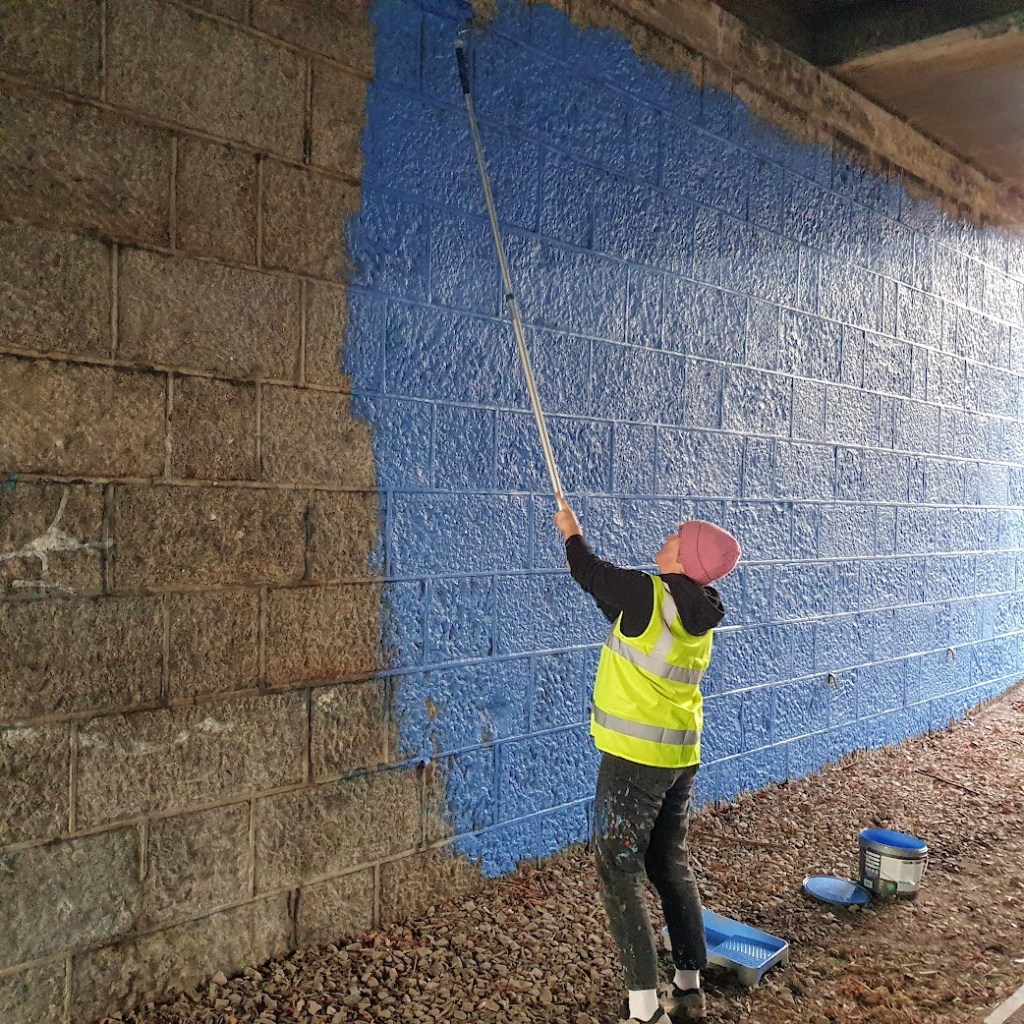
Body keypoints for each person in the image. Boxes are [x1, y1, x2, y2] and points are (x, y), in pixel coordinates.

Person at [553, 498, 741, 1024]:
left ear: (684, 558)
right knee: (668, 862)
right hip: (679, 756)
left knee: (619, 870)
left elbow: (589, 572)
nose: (667, 538)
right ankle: (688, 985)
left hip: (636, 760)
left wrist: (570, 531)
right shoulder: (698, 609)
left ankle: (644, 1009)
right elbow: (612, 601)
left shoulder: (646, 594)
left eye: (677, 536)